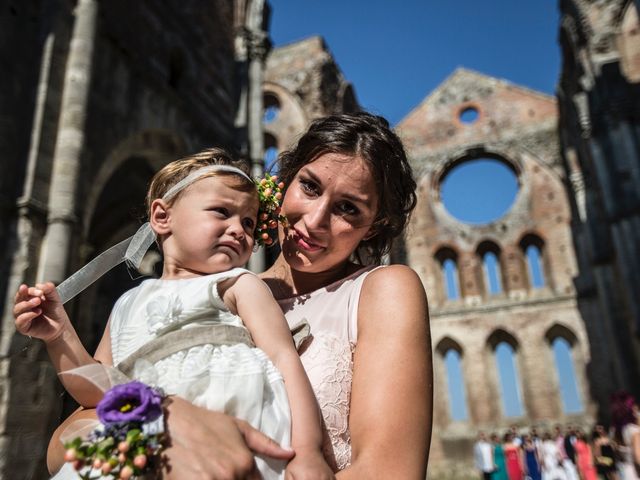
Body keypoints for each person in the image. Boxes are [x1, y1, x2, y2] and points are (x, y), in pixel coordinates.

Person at [46, 112, 433, 478]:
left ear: (373, 226)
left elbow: (387, 472)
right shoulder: (211, 294)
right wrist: (165, 418)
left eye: (348, 209)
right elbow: (61, 445)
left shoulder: (382, 290)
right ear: (284, 181)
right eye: (310, 186)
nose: (314, 222)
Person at [14, 148, 334, 479]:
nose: (240, 230)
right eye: (222, 212)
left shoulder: (237, 284)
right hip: (148, 444)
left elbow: (284, 360)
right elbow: (98, 393)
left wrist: (308, 451)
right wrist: (58, 336)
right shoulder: (127, 302)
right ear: (162, 217)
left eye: (249, 222)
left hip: (227, 434)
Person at [611, 391, 640, 480]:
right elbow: (638, 457)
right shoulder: (634, 431)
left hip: (625, 471)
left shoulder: (616, 431)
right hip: (636, 472)